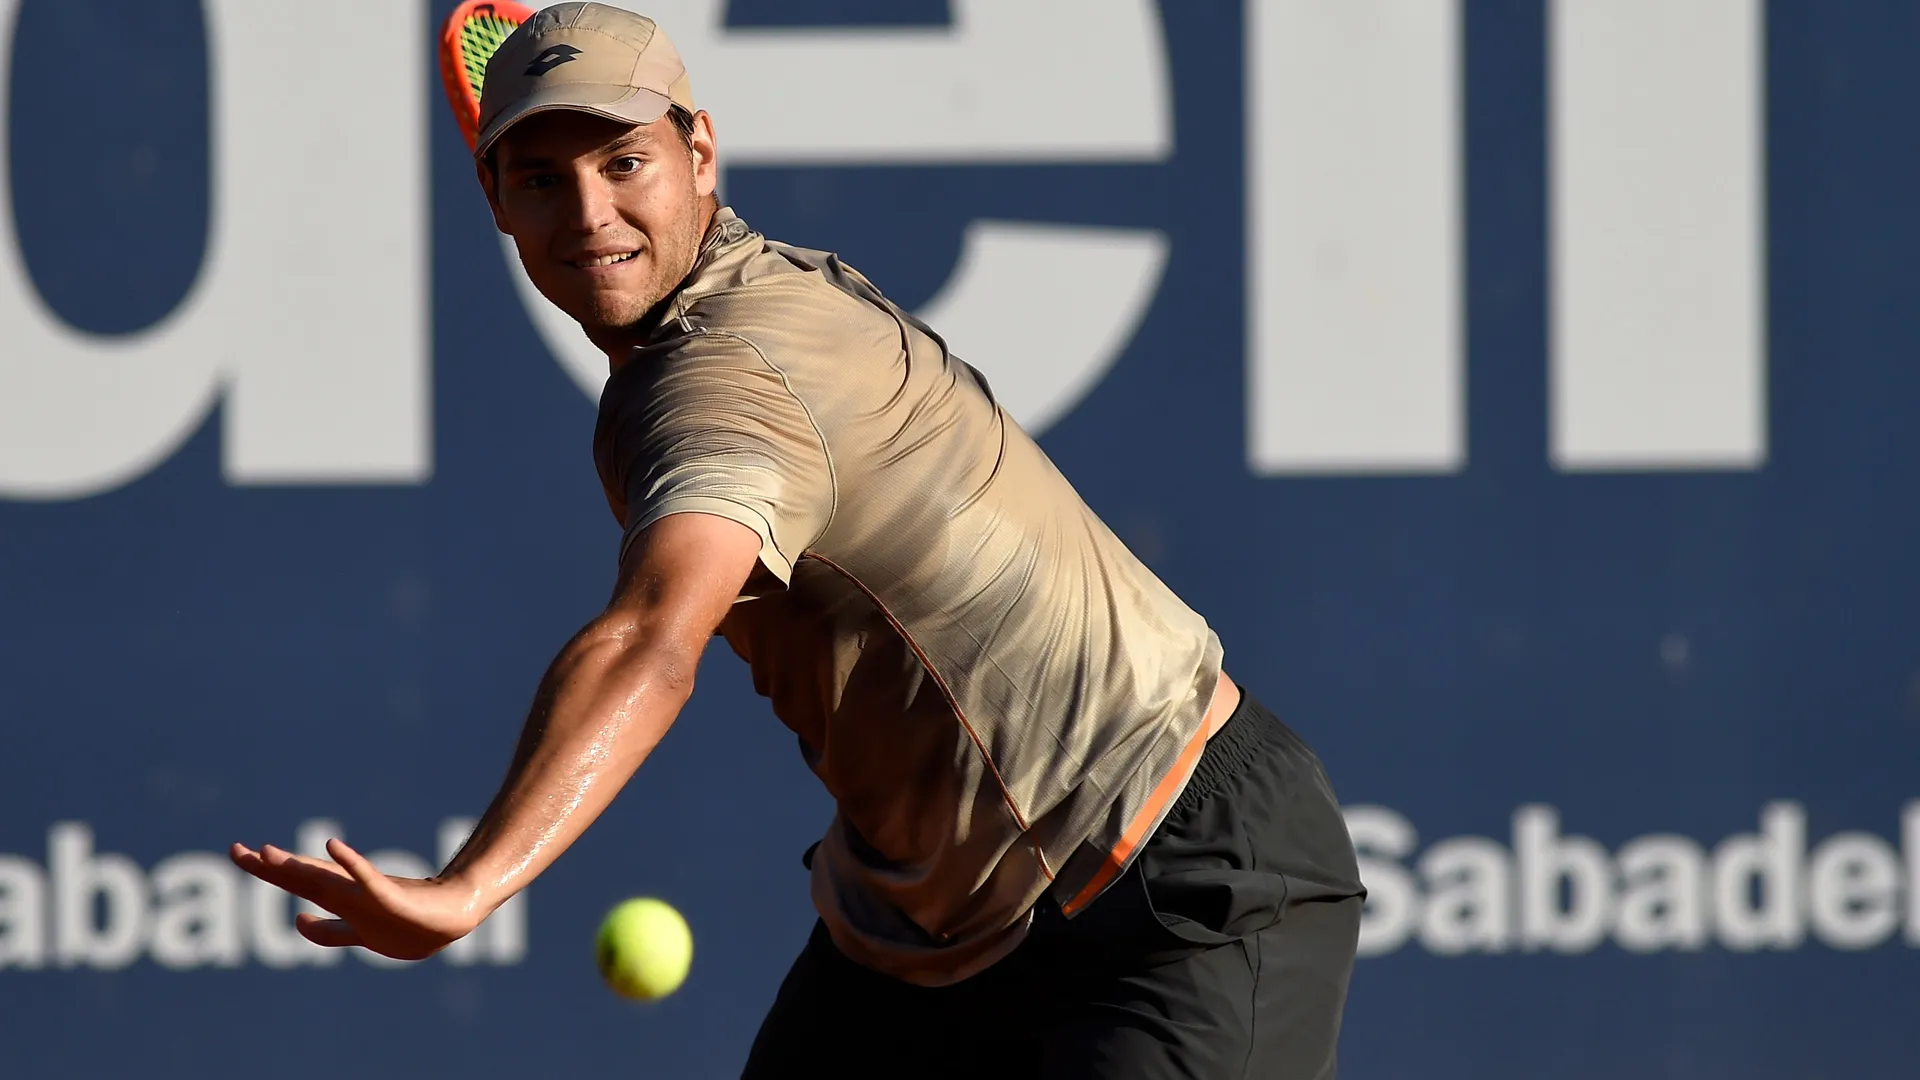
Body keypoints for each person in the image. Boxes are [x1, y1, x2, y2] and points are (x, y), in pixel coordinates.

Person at [230, 4, 1366, 1076]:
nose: (588, 214)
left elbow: (652, 638)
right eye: (542, 180)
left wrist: (471, 885)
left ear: (699, 154)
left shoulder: (726, 377)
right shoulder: (736, 304)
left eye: (623, 163)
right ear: (496, 200)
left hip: (1167, 879)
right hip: (931, 928)